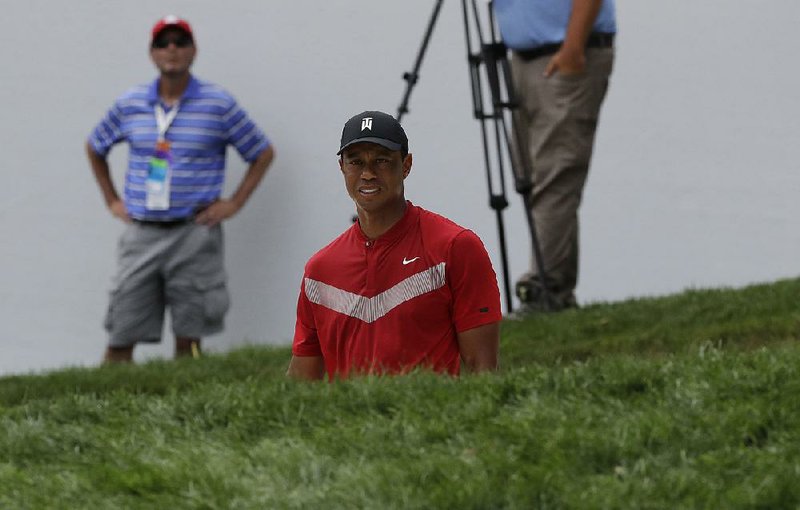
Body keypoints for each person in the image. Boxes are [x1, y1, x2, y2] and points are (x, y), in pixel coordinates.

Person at [86, 15, 275, 363]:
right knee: (121, 335)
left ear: (193, 50)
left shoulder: (218, 104)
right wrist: (112, 200)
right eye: (163, 42)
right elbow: (95, 146)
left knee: (190, 341)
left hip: (194, 234)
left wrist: (234, 203)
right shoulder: (131, 103)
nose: (171, 49)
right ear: (152, 53)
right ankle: (104, 409)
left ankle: (185, 412)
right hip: (142, 232)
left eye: (180, 41)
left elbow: (262, 152)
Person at [286, 111, 501, 381]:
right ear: (342, 167)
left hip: (431, 420)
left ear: (406, 165)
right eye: (356, 162)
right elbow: (300, 388)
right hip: (346, 423)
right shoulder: (319, 270)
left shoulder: (455, 247)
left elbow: (484, 374)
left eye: (382, 161)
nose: (367, 174)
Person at [493, 0, 616, 312]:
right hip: (523, 60)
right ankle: (555, 289)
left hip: (566, 54)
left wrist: (573, 48)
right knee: (534, 176)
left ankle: (544, 289)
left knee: (556, 174)